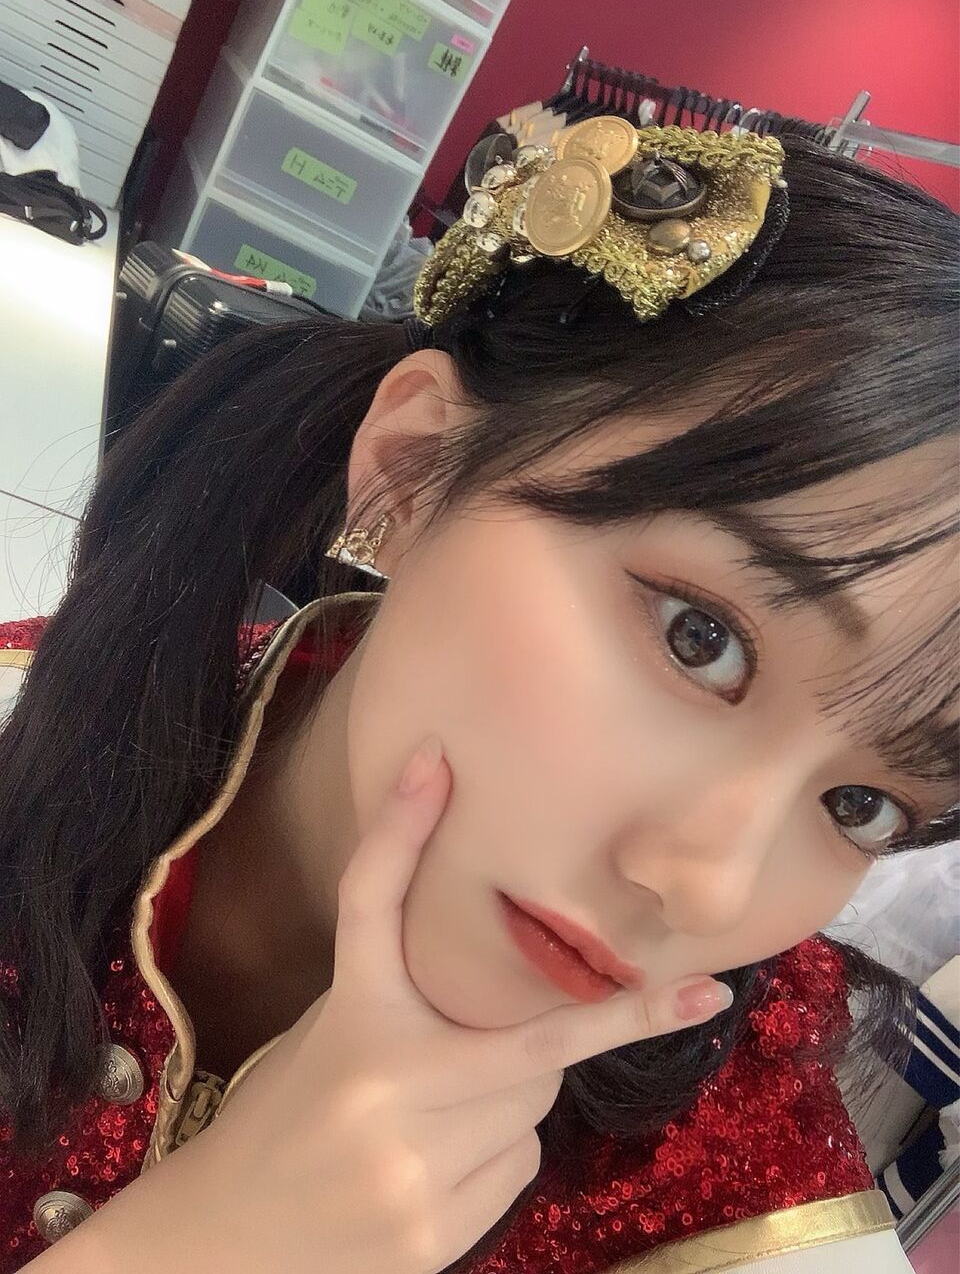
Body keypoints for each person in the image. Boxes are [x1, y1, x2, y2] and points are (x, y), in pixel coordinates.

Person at [0, 121, 956, 1273]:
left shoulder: (739, 1205)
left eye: (862, 804)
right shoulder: (31, 716)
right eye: (700, 639)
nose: (707, 885)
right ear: (412, 467)